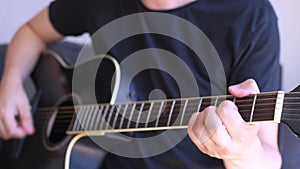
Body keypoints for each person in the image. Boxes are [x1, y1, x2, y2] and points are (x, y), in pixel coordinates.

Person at [0, 0, 282, 168]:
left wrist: (243, 153)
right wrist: (11, 81)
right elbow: (32, 31)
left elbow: (270, 158)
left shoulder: (251, 15)